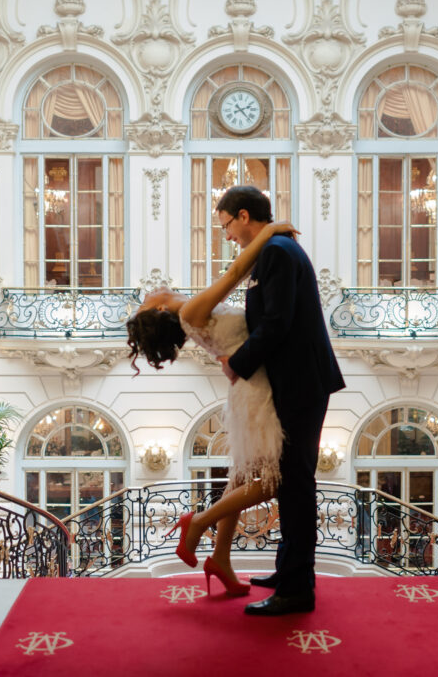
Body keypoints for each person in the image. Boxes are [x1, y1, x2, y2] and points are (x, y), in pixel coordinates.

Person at [126, 218, 297, 597]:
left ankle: (221, 558)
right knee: (271, 481)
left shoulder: (190, 315)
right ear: (157, 312)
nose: (150, 291)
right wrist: (267, 232)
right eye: (144, 301)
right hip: (256, 391)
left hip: (248, 386)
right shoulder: (189, 313)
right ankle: (198, 522)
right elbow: (235, 272)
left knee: (239, 478)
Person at [215, 185, 345, 617]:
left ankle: (296, 590)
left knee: (296, 486)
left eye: (227, 225)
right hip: (299, 380)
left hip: (301, 383)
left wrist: (238, 362)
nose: (228, 235)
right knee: (291, 484)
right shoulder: (276, 248)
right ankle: (288, 570)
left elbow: (277, 322)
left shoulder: (275, 252)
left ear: (244, 215)